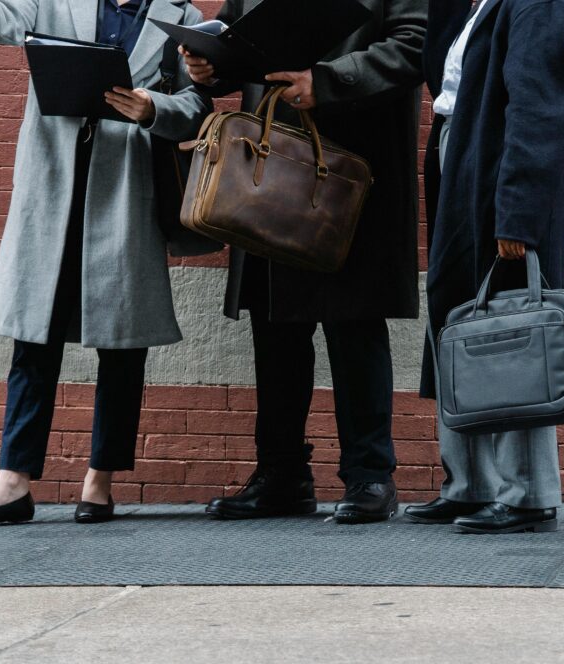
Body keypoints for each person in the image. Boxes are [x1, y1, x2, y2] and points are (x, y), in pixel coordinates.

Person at [0, 0, 212, 528]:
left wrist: (152, 108)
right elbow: (0, 25)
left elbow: (198, 104)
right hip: (53, 184)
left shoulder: (186, 20)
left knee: (123, 342)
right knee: (34, 337)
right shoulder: (56, 1)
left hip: (128, 190)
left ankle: (100, 482)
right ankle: (12, 483)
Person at [183, 0, 428, 523]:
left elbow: (415, 44)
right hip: (267, 171)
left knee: (354, 322)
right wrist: (209, 63)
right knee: (274, 327)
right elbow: (232, 34)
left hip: (348, 170)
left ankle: (370, 477)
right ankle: (281, 476)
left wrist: (328, 80)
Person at [404, 0, 564, 533]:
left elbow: (540, 112)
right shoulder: (475, 5)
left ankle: (527, 495)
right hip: (459, 158)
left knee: (515, 336)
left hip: (499, 178)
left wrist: (520, 214)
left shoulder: (539, 6)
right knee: (460, 325)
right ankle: (470, 487)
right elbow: (440, 76)